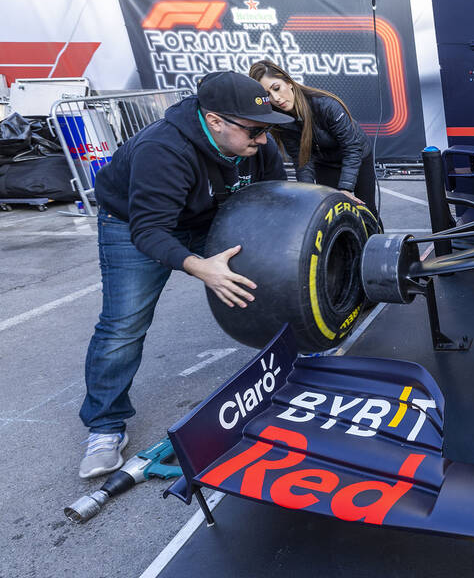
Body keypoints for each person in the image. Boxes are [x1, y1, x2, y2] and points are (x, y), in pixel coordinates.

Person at [78, 71, 289, 479]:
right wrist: (201, 267)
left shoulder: (254, 140)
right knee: (124, 324)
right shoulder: (163, 149)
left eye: (268, 129)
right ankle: (104, 427)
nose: (264, 140)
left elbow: (275, 200)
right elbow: (149, 231)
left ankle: (291, 374)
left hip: (209, 213)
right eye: (256, 130)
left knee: (273, 281)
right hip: (135, 222)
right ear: (214, 121)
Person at [249, 60, 379, 219]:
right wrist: (308, 194)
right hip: (324, 163)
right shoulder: (280, 120)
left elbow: (352, 148)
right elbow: (302, 160)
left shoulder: (326, 105)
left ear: (289, 83)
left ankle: (376, 241)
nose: (276, 98)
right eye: (267, 94)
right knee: (334, 212)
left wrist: (346, 188)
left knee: (366, 211)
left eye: (276, 88)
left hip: (356, 155)